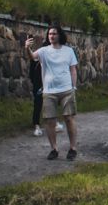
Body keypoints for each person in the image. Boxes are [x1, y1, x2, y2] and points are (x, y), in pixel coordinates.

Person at [24, 25, 78, 160]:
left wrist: (74, 86)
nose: (51, 36)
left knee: (69, 119)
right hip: (49, 91)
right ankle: (54, 149)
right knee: (50, 121)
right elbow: (32, 57)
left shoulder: (68, 51)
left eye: (54, 33)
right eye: (49, 34)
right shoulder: (43, 51)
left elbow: (73, 70)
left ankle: (72, 148)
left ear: (60, 35)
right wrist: (27, 48)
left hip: (66, 90)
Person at [29, 44, 64, 136]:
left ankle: (55, 123)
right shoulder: (35, 60)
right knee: (38, 104)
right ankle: (36, 126)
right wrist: (37, 85)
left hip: (49, 85)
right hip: (38, 86)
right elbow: (31, 74)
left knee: (53, 103)